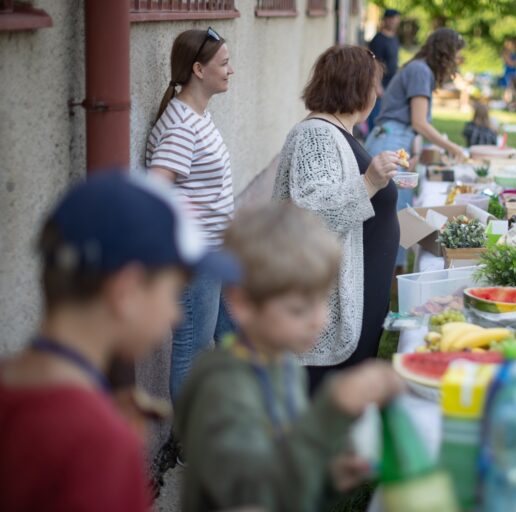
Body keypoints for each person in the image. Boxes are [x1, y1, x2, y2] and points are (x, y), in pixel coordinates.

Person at [0, 172, 237, 511]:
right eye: (173, 292)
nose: (176, 314)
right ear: (125, 292)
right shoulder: (101, 445)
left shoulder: (12, 388)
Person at [174, 202, 404, 512]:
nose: (319, 321)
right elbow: (255, 497)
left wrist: (330, 477)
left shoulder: (283, 365)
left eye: (322, 300)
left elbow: (290, 483)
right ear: (242, 304)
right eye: (298, 309)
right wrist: (330, 411)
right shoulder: (223, 392)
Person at [274, 45, 402, 392]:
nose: (378, 93)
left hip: (359, 297)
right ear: (355, 86)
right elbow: (312, 215)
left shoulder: (338, 132)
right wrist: (370, 182)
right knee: (327, 403)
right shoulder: (315, 135)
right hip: (333, 306)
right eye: (374, 84)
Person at [146, 27, 236, 402]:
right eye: (224, 63)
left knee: (236, 338)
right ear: (198, 69)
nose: (231, 70)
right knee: (193, 352)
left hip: (217, 254)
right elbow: (154, 191)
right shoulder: (182, 126)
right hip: (196, 259)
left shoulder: (195, 115)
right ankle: (187, 448)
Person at [366, 28, 467, 269]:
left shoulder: (419, 69)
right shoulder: (421, 71)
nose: (457, 61)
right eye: (456, 55)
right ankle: (386, 274)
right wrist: (454, 148)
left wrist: (416, 146)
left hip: (394, 138)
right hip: (391, 140)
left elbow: (414, 124)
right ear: (446, 52)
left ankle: (390, 273)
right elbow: (419, 122)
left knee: (394, 211)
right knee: (392, 214)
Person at [366, 8, 401, 132]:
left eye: (395, 19)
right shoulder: (378, 40)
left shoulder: (395, 38)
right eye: (390, 19)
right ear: (385, 20)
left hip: (391, 85)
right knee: (376, 121)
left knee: (386, 121)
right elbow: (373, 63)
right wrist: (377, 86)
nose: (393, 22)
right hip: (380, 87)